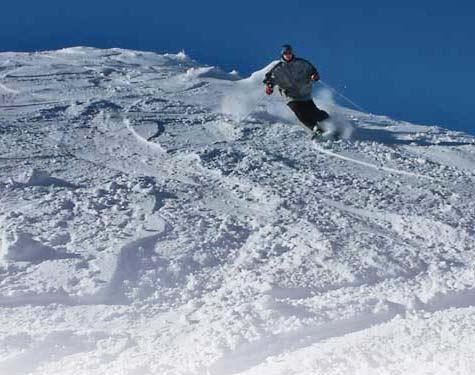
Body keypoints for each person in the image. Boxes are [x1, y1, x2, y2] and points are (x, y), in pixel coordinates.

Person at [263, 44, 329, 138]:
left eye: (289, 53)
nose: (288, 55)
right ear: (282, 55)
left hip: (305, 94)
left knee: (314, 112)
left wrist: (314, 76)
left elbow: (312, 70)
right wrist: (269, 86)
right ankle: (315, 128)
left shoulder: (301, 63)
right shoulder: (278, 68)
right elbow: (269, 78)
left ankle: (329, 122)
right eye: (286, 53)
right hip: (291, 97)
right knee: (300, 113)